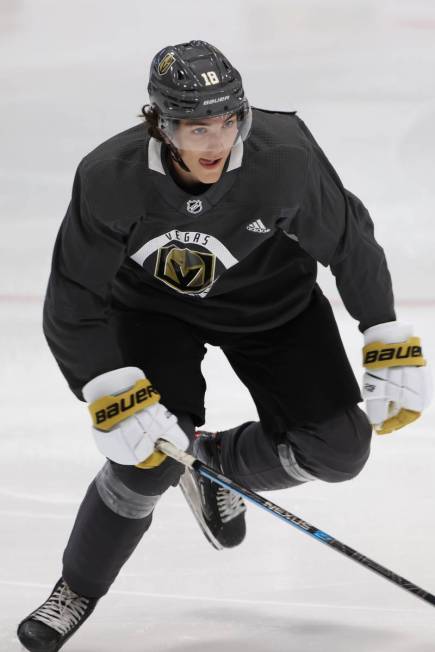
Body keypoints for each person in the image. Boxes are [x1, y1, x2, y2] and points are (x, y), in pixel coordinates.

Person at [17, 40, 432, 652]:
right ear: (160, 123)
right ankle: (77, 587)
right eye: (196, 126)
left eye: (229, 121)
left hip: (273, 307)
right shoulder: (109, 177)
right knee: (147, 458)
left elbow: (349, 241)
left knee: (341, 450)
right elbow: (74, 299)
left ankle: (215, 466)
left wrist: (383, 328)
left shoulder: (284, 155)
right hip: (153, 311)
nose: (216, 142)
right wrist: (105, 385)